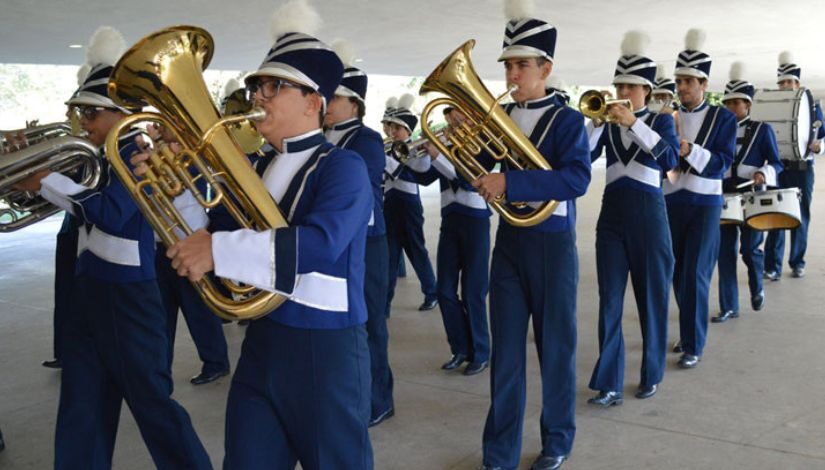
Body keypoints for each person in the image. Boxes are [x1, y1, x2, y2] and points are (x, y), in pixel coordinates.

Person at [164, 1, 374, 467]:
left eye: (274, 86)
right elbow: (210, 232)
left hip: (325, 348)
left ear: (313, 102)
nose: (258, 96)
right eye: (258, 85)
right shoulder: (255, 165)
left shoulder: (344, 166)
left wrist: (216, 248)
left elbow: (320, 245)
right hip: (261, 340)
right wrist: (176, 189)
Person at [14, 27, 211, 469]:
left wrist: (43, 178)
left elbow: (114, 214)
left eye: (90, 112)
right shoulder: (99, 155)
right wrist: (35, 182)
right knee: (81, 403)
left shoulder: (137, 151)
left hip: (127, 294)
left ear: (116, 112)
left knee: (153, 405)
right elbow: (76, 206)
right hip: (91, 288)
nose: (82, 121)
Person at [475, 1, 591, 468]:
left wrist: (511, 182)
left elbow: (578, 179)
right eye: (508, 64)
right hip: (509, 243)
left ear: (546, 68)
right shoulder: (497, 116)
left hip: (552, 244)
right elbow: (479, 174)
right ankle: (499, 451)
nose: (511, 73)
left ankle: (557, 440)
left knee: (555, 349)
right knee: (505, 353)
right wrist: (470, 146)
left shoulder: (566, 120)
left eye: (522, 64)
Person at [586, 30, 678, 407]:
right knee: (609, 299)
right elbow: (583, 156)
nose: (622, 90)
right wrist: (594, 122)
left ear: (646, 90)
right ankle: (608, 382)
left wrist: (632, 124)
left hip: (648, 214)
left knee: (651, 298)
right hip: (612, 213)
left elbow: (670, 160)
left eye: (631, 85)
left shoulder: (660, 121)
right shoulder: (605, 124)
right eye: (619, 83)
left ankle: (651, 373)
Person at [325, 39, 395, 427]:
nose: (326, 103)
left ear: (354, 102)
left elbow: (361, 194)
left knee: (370, 327)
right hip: (342, 242)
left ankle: (380, 399)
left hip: (368, 243)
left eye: (334, 97)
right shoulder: (324, 136)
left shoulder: (366, 139)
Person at [663, 28, 736, 369]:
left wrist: (691, 149)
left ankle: (693, 343)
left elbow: (722, 164)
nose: (682, 87)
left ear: (704, 83)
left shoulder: (723, 117)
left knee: (696, 274)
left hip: (705, 204)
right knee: (677, 273)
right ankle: (689, 331)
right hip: (670, 202)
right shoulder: (668, 116)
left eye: (689, 81)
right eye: (679, 81)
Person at [142, 123, 230, 385]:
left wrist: (174, 162)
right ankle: (160, 369)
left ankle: (216, 363)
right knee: (161, 314)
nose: (159, 130)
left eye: (165, 127)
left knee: (199, 309)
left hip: (191, 243)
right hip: (160, 244)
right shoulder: (151, 156)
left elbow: (204, 186)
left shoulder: (193, 158)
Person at [421, 107, 492, 376]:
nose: (452, 120)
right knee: (445, 290)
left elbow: (469, 180)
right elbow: (424, 177)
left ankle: (481, 352)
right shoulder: (445, 142)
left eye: (458, 114)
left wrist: (439, 156)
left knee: (473, 291)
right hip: (449, 218)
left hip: (474, 218)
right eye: (449, 115)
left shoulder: (483, 141)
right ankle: (460, 348)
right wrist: (412, 155)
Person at [714, 62, 783, 323]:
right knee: (725, 252)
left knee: (750, 249)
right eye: (727, 103)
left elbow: (776, 162)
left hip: (751, 195)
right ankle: (729, 306)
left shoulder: (762, 130)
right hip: (723, 194)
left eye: (736, 103)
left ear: (748, 105)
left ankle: (757, 287)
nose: (730, 108)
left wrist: (763, 174)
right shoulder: (718, 129)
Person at [763, 51, 825, 280]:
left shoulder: (812, 108)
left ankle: (797, 262)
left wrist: (819, 146)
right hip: (779, 168)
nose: (786, 86)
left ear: (798, 83)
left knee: (801, 216)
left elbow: (824, 135)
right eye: (782, 82)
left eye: (790, 81)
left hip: (803, 169)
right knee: (775, 214)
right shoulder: (772, 106)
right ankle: (772, 266)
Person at [383, 94, 439, 312]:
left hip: (409, 205)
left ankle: (431, 292)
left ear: (408, 130)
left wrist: (400, 159)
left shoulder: (415, 148)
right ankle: (384, 303)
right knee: (389, 254)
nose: (392, 132)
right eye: (391, 128)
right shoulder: (388, 147)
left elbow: (423, 171)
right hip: (390, 204)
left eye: (397, 128)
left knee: (416, 250)